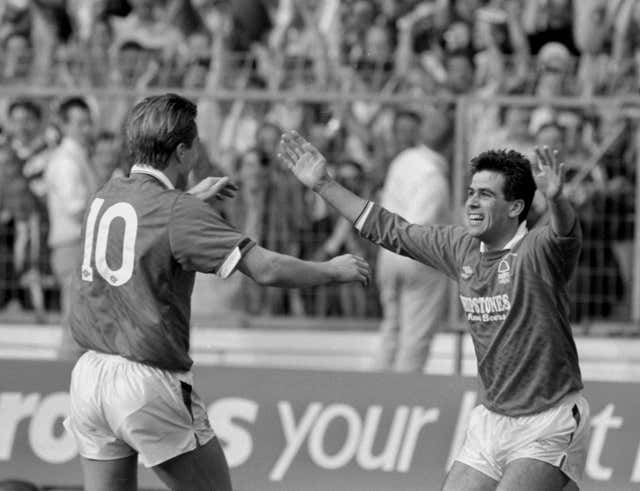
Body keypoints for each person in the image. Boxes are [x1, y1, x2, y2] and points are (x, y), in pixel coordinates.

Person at [63, 94, 370, 491]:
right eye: (197, 144)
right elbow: (266, 268)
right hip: (145, 378)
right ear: (182, 151)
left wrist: (186, 199)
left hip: (89, 376)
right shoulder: (178, 212)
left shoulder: (107, 192)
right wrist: (331, 270)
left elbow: (143, 224)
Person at [279, 131, 590, 490]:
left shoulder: (538, 251)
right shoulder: (459, 247)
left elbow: (564, 233)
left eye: (486, 195)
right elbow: (390, 229)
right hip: (492, 420)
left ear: (515, 207)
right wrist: (323, 184)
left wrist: (557, 200)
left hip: (548, 420)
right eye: (471, 193)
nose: (472, 202)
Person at [375, 110, 450, 371]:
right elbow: (420, 224)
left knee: (391, 330)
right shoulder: (434, 177)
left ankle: (378, 391)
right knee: (415, 336)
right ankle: (402, 396)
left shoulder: (402, 160)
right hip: (416, 255)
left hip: (386, 252)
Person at [44, 96, 97, 356]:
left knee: (81, 319)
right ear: (64, 125)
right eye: (80, 123)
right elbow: (76, 209)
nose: (86, 129)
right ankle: (64, 380)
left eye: (88, 122)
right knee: (75, 321)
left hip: (77, 244)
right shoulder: (66, 160)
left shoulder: (75, 157)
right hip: (73, 244)